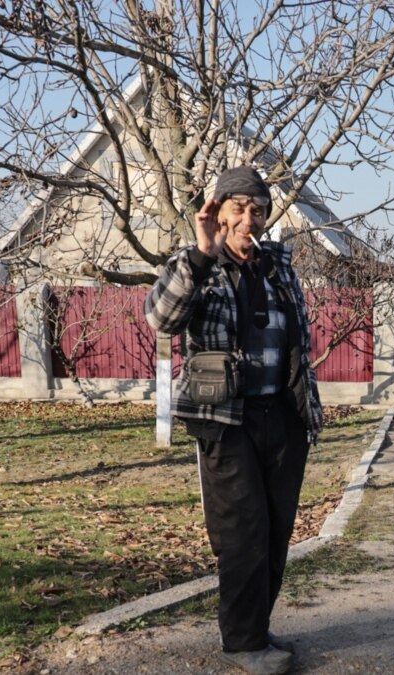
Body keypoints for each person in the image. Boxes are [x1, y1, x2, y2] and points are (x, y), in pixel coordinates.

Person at [145, 166, 323, 675]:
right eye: (238, 208)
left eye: (258, 209)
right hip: (225, 418)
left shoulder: (277, 266)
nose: (249, 218)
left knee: (275, 530)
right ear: (218, 212)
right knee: (242, 529)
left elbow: (295, 338)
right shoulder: (197, 262)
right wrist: (201, 254)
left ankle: (256, 628)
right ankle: (243, 645)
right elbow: (161, 319)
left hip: (283, 416)